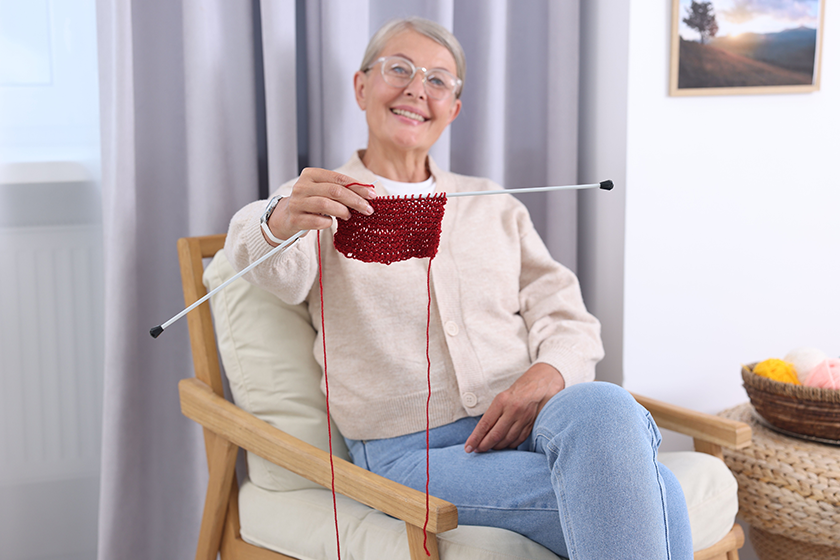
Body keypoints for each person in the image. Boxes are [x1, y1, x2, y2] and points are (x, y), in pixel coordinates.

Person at [225, 16, 692, 560]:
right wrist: (277, 218)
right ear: (361, 86)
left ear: (454, 107)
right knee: (660, 492)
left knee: (606, 403)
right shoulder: (322, 199)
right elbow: (270, 267)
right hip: (411, 453)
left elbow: (567, 317)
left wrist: (547, 375)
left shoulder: (492, 203)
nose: (416, 89)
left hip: (533, 421)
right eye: (399, 69)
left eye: (437, 80)